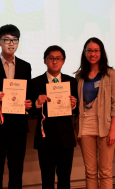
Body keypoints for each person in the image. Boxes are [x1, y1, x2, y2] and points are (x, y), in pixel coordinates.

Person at [0, 24, 32, 189]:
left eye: (15, 40)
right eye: (7, 40)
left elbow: (29, 95)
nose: (11, 44)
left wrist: (29, 103)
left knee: (17, 170)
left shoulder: (25, 66)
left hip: (18, 127)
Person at [75, 37, 115, 189]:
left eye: (96, 51)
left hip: (106, 128)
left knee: (105, 172)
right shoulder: (79, 76)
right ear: (85, 53)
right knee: (90, 172)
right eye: (89, 51)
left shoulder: (110, 74)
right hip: (85, 128)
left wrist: (113, 130)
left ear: (101, 53)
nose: (92, 54)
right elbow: (76, 106)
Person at [29, 45, 78, 189]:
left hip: (66, 138)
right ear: (45, 61)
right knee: (47, 180)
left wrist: (74, 104)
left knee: (65, 179)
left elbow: (78, 108)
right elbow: (31, 110)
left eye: (58, 58)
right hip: (45, 139)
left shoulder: (71, 81)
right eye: (51, 58)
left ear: (63, 61)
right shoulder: (36, 82)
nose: (54, 61)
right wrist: (38, 103)